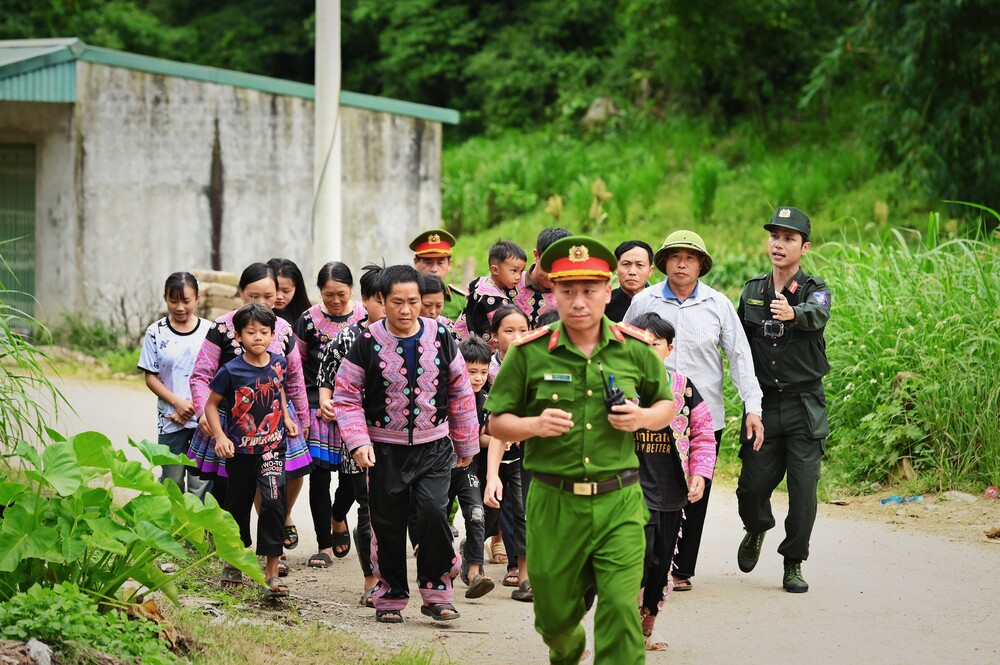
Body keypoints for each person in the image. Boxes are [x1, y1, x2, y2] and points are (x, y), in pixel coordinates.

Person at [487, 236, 675, 665]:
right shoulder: (529, 352)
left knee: (619, 612)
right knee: (555, 618)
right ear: (554, 292)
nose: (578, 302)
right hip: (554, 503)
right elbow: (497, 421)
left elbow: (665, 404)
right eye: (568, 291)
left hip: (620, 500)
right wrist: (534, 425)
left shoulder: (636, 348)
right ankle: (568, 651)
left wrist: (641, 417)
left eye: (590, 290)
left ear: (607, 293)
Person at [333, 265, 479, 623]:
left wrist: (466, 444)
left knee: (433, 513)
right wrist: (358, 441)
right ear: (381, 300)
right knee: (388, 523)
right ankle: (391, 594)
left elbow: (460, 391)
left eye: (413, 301)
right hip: (384, 450)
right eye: (396, 302)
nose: (405, 309)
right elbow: (346, 396)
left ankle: (437, 592)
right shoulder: (366, 343)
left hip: (434, 446)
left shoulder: (442, 336)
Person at [623, 229, 764, 591]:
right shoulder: (645, 301)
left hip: (702, 416)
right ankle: (647, 560)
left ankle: (682, 568)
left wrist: (753, 405)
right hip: (648, 413)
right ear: (665, 263)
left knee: (695, 488)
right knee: (652, 488)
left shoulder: (717, 304)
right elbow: (621, 347)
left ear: (701, 264)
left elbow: (739, 355)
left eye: (690, 257)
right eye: (674, 256)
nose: (682, 263)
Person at [187, 263, 312, 567]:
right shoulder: (221, 328)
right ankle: (235, 552)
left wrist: (302, 420)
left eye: (270, 295)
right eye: (253, 294)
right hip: (233, 422)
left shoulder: (282, 330)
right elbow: (202, 375)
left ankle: (272, 550)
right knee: (236, 492)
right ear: (241, 292)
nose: (262, 301)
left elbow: (293, 379)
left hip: (274, 420)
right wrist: (205, 411)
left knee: (276, 486)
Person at [735, 207, 831, 594]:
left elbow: (817, 314)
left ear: (804, 247)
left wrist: (793, 312)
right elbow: (738, 345)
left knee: (804, 492)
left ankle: (794, 562)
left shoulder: (815, 289)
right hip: (763, 403)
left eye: (789, 238)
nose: (779, 243)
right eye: (775, 236)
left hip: (804, 404)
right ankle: (756, 526)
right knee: (751, 487)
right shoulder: (752, 291)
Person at [630, 312, 716, 651]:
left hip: (671, 493)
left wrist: (699, 474)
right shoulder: (617, 387)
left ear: (669, 348)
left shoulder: (684, 387)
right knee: (640, 555)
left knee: (661, 563)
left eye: (655, 345)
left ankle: (647, 625)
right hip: (630, 490)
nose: (648, 351)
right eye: (641, 345)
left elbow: (704, 435)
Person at [204, 302, 298, 598]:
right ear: (239, 337)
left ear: (272, 335)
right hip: (240, 454)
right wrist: (220, 437)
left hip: (272, 449)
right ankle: (235, 561)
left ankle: (271, 573)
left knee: (273, 503)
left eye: (264, 332)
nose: (258, 337)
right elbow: (210, 404)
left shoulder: (279, 362)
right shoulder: (230, 370)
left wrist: (286, 417)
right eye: (251, 332)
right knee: (238, 507)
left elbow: (280, 390)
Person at [316, 263, 385, 606]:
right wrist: (327, 402)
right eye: (382, 300)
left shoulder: (418, 337)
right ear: (366, 300)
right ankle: (371, 581)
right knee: (368, 506)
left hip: (402, 441)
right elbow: (325, 378)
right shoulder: (348, 338)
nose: (392, 308)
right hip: (357, 438)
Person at [295, 262, 367, 568]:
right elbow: (295, 365)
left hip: (355, 409)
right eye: (328, 295)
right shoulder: (308, 321)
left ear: (351, 290)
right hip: (317, 408)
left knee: (352, 477)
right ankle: (323, 543)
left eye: (340, 294)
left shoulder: (366, 317)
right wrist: (306, 408)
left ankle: (339, 516)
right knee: (319, 477)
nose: (335, 300)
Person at [138, 272, 212, 500]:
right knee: (172, 480)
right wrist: (178, 404)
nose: (180, 307)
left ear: (197, 298)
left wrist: (196, 408)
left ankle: (197, 533)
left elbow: (216, 374)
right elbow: (150, 376)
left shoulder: (210, 331)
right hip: (171, 419)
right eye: (174, 301)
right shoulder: (155, 332)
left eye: (186, 301)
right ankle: (173, 531)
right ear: (165, 298)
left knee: (201, 482)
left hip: (204, 420)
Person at [482, 304, 531, 599]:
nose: (516, 337)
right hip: (489, 447)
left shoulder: (538, 364)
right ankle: (479, 558)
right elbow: (498, 420)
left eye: (523, 330)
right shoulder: (485, 369)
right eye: (508, 331)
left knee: (524, 509)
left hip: (535, 453)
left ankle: (526, 572)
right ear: (494, 336)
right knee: (501, 510)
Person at [453, 336, 496, 599]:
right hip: (440, 468)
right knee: (435, 517)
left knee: (477, 514)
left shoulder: (487, 400)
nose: (478, 378)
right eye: (472, 371)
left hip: (470, 469)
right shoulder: (446, 397)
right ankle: (442, 567)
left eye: (483, 371)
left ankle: (474, 574)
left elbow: (482, 434)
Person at [453, 240, 527, 345]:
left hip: (460, 336)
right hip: (479, 347)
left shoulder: (479, 281)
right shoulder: (496, 300)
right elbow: (503, 325)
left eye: (521, 271)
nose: (518, 277)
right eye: (514, 271)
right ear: (495, 270)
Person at [513, 227, 572, 328]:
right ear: (536, 255)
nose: (553, 275)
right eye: (549, 266)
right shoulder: (508, 284)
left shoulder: (572, 297)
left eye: (562, 267)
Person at [410, 228, 466, 321]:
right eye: (428, 263)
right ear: (416, 262)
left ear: (449, 264)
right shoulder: (406, 297)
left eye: (440, 263)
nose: (434, 269)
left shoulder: (460, 301)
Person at [607, 240, 654, 322]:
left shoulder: (660, 302)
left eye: (639, 265)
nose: (632, 272)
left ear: (650, 271)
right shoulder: (605, 303)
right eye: (626, 264)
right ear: (616, 269)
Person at [268, 258, 312, 324]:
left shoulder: (308, 318)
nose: (279, 296)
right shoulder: (254, 316)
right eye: (275, 289)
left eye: (286, 291)